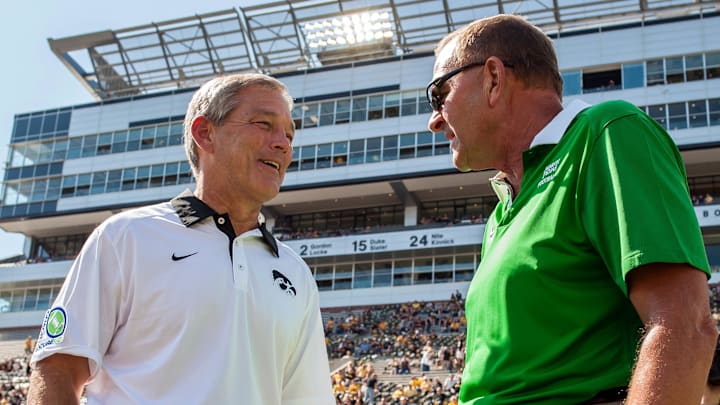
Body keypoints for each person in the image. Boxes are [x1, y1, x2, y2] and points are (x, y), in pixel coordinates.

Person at [426, 14, 717, 404]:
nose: (434, 120)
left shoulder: (605, 132)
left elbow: (685, 324)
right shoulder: (500, 214)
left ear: (493, 78)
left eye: (438, 94)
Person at [27, 73, 335, 404]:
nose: (284, 143)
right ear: (205, 133)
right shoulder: (126, 237)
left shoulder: (295, 273)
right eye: (264, 124)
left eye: (289, 134)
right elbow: (57, 370)